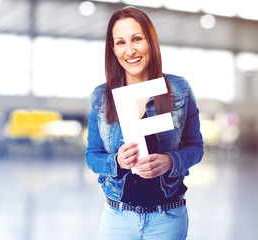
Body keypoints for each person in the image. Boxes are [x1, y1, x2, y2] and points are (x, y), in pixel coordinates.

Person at [85, 7, 204, 240]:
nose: (130, 50)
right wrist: (116, 161)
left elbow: (196, 148)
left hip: (167, 218)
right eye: (120, 42)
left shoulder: (179, 89)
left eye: (137, 39)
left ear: (150, 41)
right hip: (117, 218)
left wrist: (170, 161)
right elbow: (92, 156)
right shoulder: (101, 96)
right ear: (113, 49)